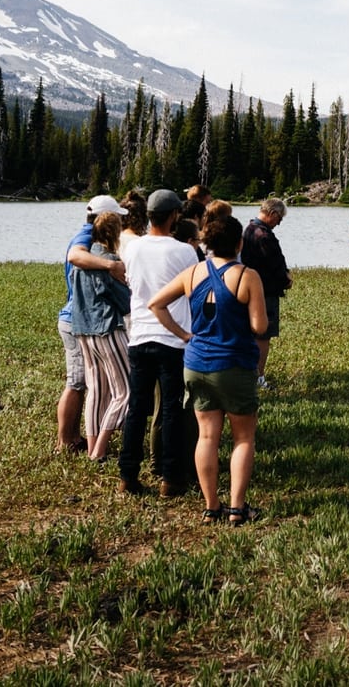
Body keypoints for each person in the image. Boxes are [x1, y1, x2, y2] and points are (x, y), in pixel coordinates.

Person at [146, 208, 266, 524]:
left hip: (196, 362)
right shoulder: (247, 276)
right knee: (243, 437)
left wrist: (185, 334)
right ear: (240, 243)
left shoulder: (193, 273)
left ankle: (211, 506)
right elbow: (259, 326)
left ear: (208, 243)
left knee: (207, 436)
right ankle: (237, 508)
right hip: (234, 364)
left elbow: (155, 304)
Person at [119, 189, 200, 497]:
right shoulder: (183, 251)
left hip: (139, 336)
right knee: (170, 409)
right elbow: (191, 289)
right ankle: (170, 477)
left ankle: (128, 474)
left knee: (137, 408)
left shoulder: (133, 248)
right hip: (172, 338)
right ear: (174, 216)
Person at [57, 194, 129, 454]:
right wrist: (112, 266)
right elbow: (75, 256)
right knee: (78, 383)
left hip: (81, 321)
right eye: (119, 219)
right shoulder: (87, 239)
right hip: (87, 320)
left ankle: (85, 441)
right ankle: (68, 441)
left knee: (95, 386)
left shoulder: (88, 239)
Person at [240, 198, 292, 388]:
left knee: (251, 333)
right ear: (272, 214)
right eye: (279, 218)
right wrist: (286, 280)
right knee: (264, 334)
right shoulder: (264, 235)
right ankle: (258, 376)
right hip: (265, 291)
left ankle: (248, 373)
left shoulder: (249, 229)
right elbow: (274, 264)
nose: (279, 222)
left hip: (250, 289)